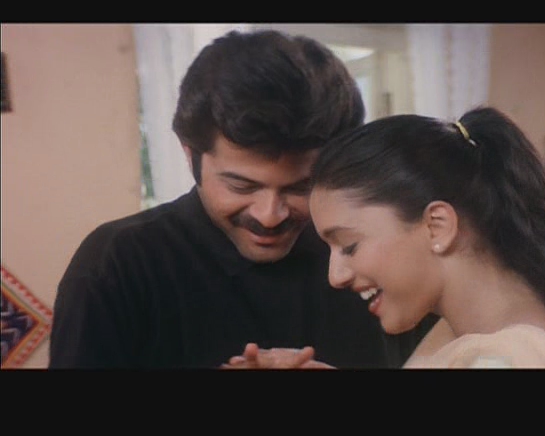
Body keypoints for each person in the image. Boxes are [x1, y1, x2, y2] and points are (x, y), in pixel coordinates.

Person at [48, 28, 435, 369]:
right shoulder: (117, 264)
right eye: (242, 187)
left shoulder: (379, 258)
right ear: (189, 155)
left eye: (300, 188)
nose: (269, 216)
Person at [228, 106, 545, 369]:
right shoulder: (467, 336)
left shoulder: (505, 358)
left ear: (438, 225)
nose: (336, 276)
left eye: (349, 246)